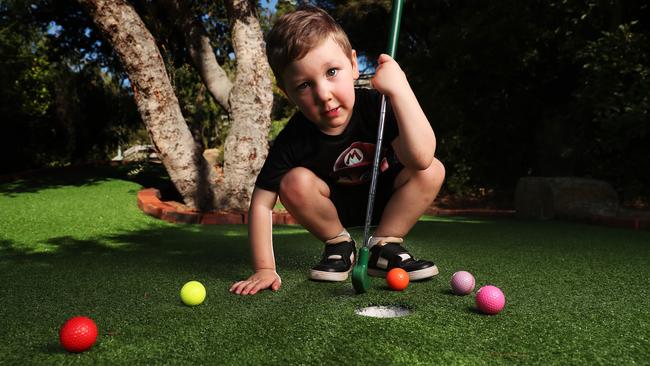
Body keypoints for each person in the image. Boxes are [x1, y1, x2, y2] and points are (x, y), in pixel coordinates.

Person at [230, 5, 445, 295]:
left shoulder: (376, 107)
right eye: (305, 85)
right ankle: (339, 245)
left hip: (386, 203)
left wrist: (400, 90)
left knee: (432, 169)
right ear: (287, 93)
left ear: (354, 65)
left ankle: (384, 246)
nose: (323, 94)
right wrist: (265, 268)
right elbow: (261, 203)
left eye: (332, 72)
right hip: (333, 212)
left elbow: (419, 157)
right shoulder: (293, 138)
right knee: (293, 181)